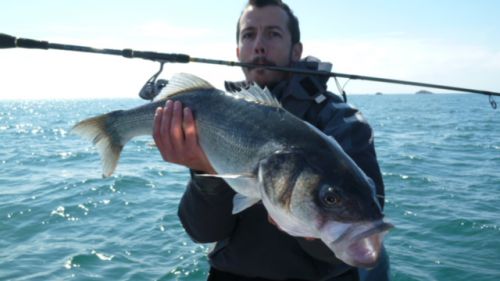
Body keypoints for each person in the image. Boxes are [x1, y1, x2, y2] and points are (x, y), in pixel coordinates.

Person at [153, 0, 390, 280]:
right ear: (238, 51)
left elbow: (358, 239)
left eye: (273, 33)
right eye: (249, 35)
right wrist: (204, 172)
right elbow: (203, 232)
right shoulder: (217, 115)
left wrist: (310, 221)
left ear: (297, 50)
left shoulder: (344, 122)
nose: (259, 45)